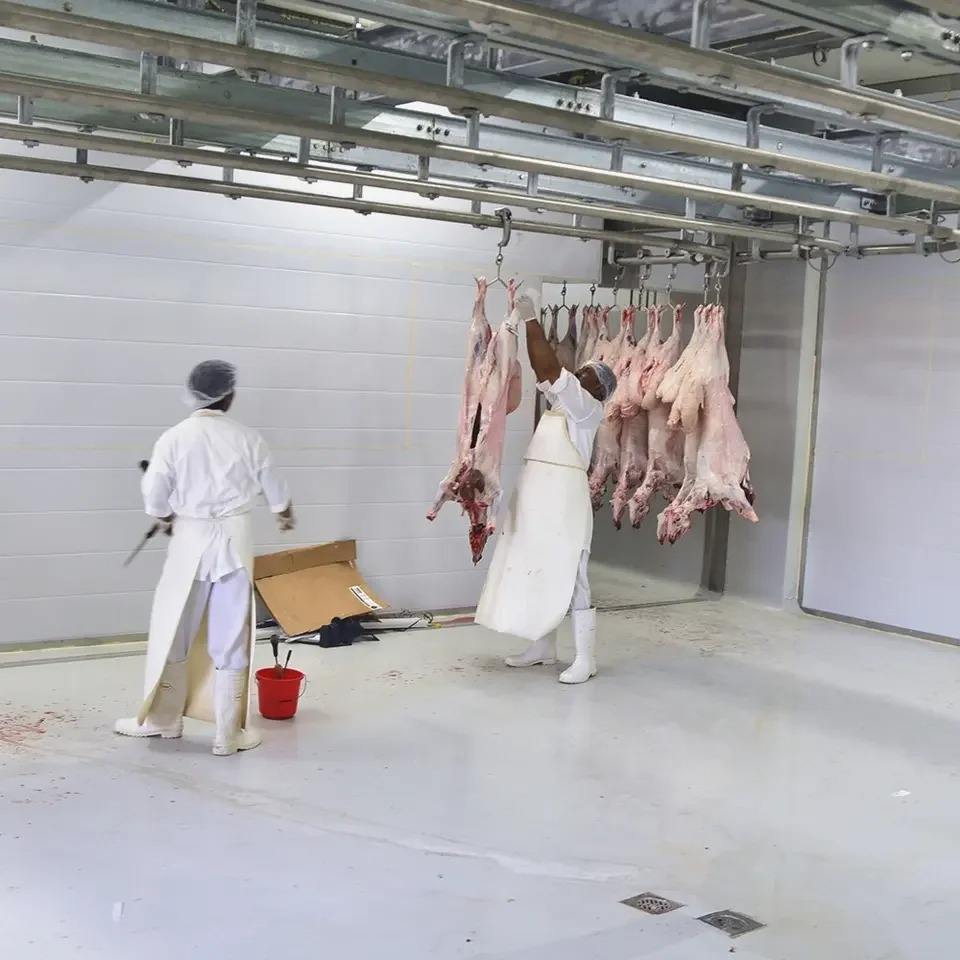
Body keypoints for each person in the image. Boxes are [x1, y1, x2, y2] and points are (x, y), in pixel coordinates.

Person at [114, 360, 295, 755]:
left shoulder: (173, 438)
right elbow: (273, 484)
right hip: (234, 539)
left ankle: (164, 721)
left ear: (193, 394)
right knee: (232, 634)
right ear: (230, 395)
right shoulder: (248, 438)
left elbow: (155, 493)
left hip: (190, 538)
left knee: (173, 628)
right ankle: (227, 736)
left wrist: (163, 514)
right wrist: (282, 511)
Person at [475, 296, 616, 684]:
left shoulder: (586, 407)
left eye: (586, 373)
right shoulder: (563, 405)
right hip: (538, 494)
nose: (578, 373)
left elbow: (549, 367)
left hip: (565, 502)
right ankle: (542, 648)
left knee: (573, 575)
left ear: (598, 388)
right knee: (537, 567)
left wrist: (532, 320)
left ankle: (586, 658)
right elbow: (544, 370)